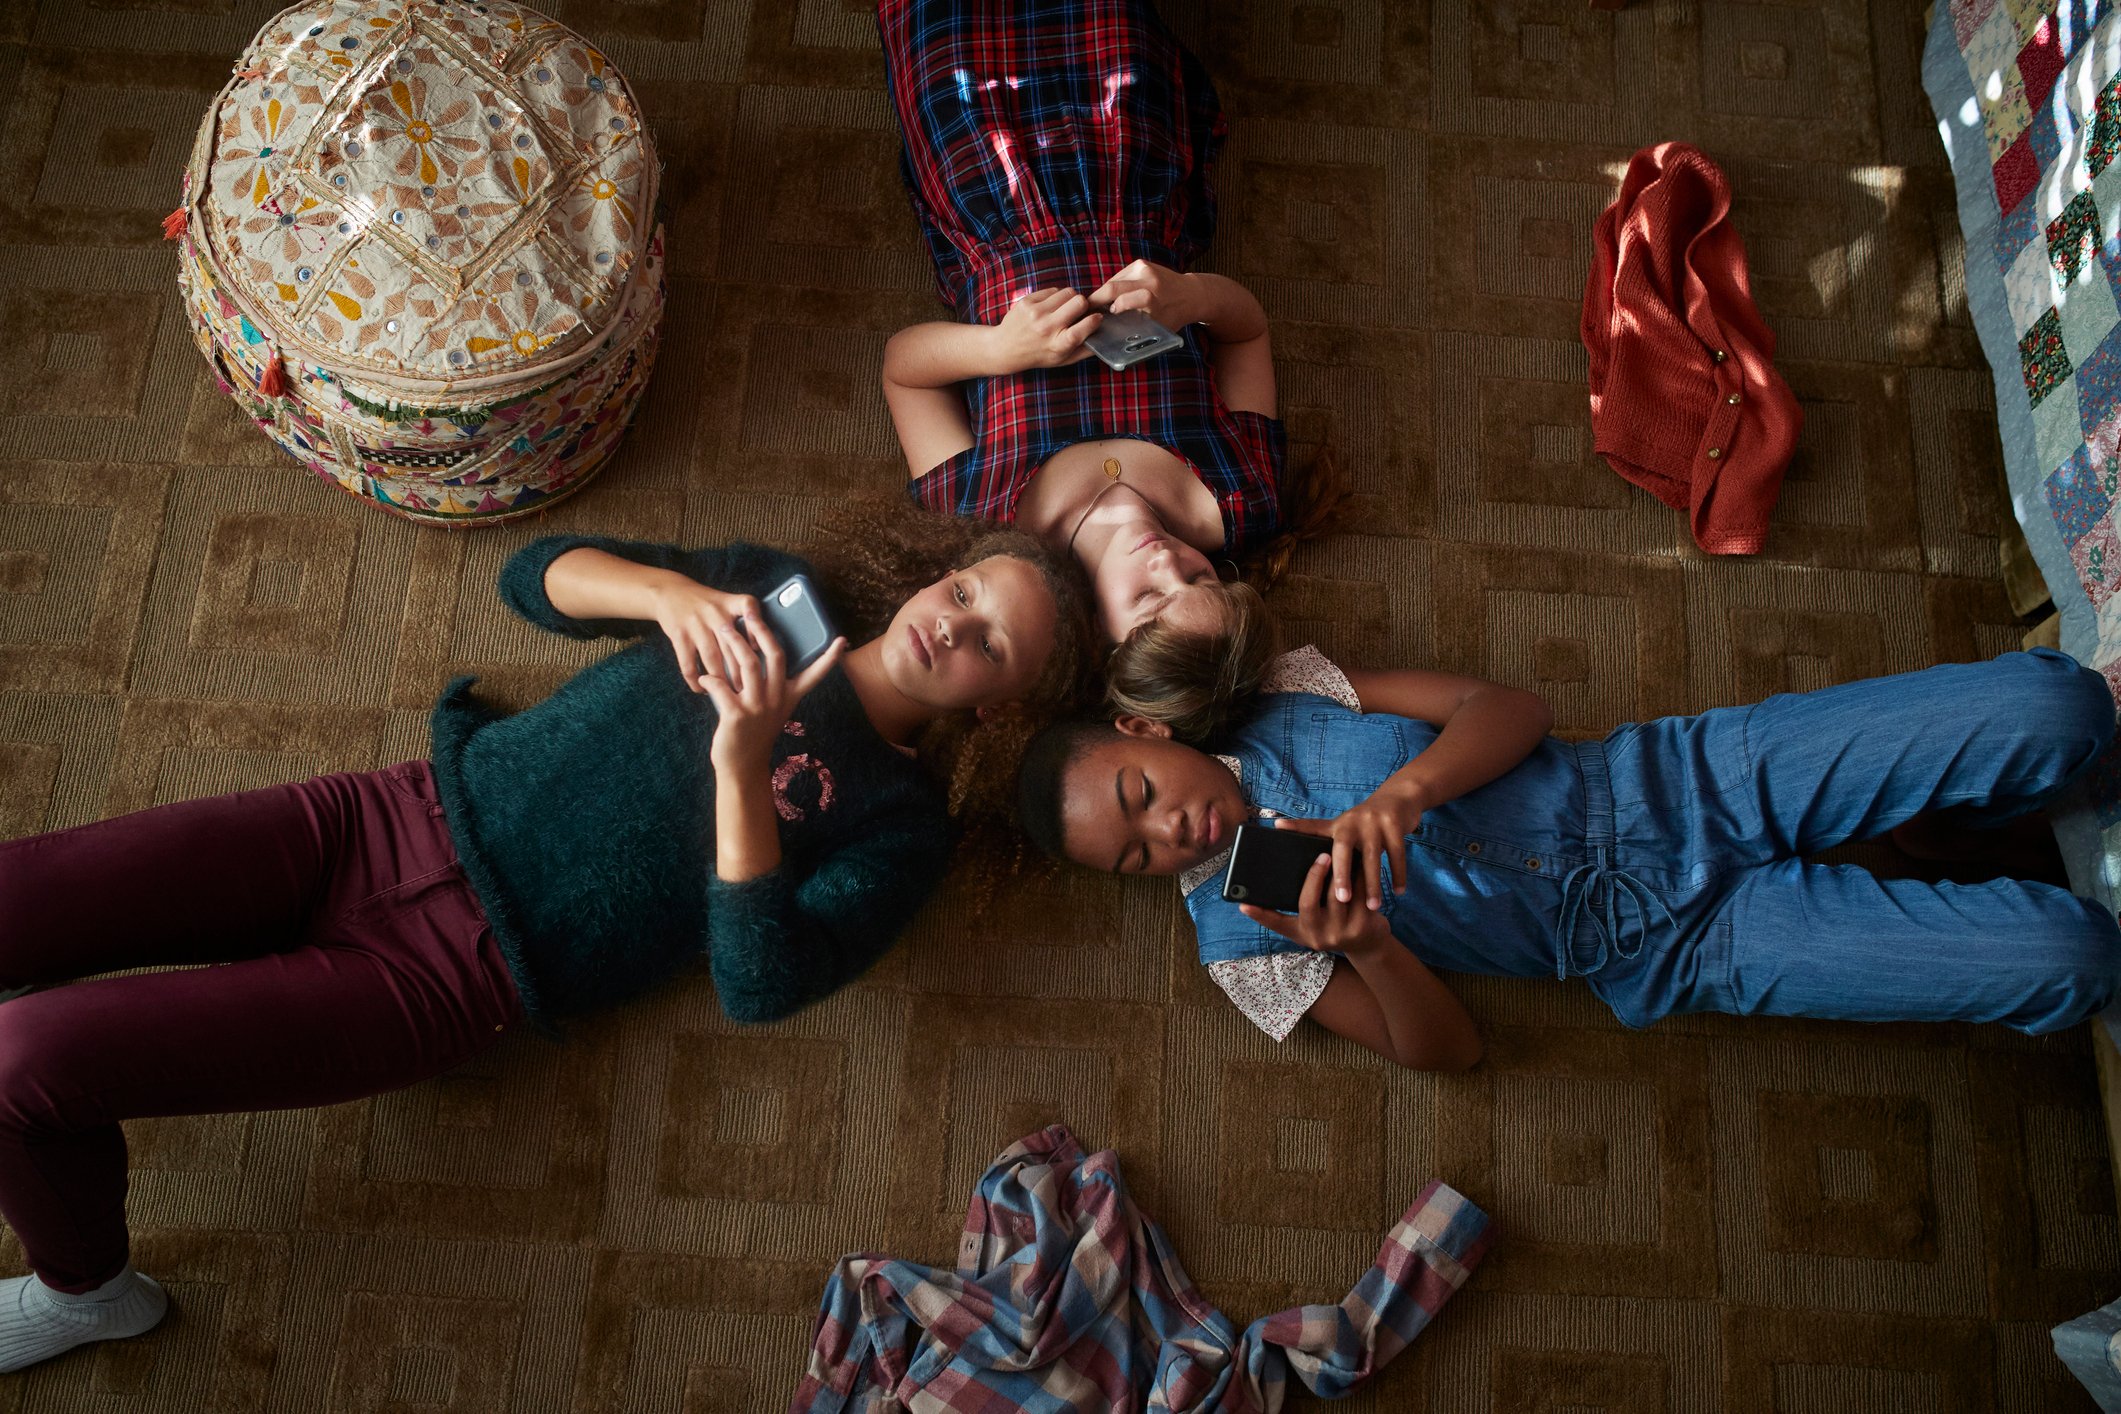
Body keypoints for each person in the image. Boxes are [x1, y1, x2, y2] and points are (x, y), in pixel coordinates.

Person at [0, 505, 1091, 1373]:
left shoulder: (901, 831)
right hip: (382, 815)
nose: (950, 623)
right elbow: (533, 574)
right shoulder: (775, 586)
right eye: (961, 590)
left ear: (999, 708)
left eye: (989, 642)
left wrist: (739, 769)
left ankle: (90, 1292)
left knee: (26, 1058)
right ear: (933, 574)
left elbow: (761, 981)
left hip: (452, 971)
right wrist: (669, 594)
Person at [1015, 645, 2121, 1070]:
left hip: (1684, 778)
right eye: (1136, 859)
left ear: (1147, 736)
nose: (1171, 835)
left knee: (2062, 704)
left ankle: (1939, 828)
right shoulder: (1237, 950)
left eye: (1141, 796)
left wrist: (1407, 793)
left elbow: (1514, 709)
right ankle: (1938, 846)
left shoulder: (1290, 692)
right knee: (2073, 961)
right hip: (1669, 946)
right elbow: (1449, 1057)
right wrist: (1375, 947)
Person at [875, 0, 1329, 678]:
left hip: (991, 190)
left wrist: (999, 351)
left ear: (1100, 634)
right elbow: (1247, 332)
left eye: (1148, 599)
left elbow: (902, 370)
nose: (1165, 561)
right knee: (1110, 22)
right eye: (1201, 582)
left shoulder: (988, 525)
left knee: (941, 36)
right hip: (1128, 169)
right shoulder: (1236, 498)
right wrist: (1194, 296)